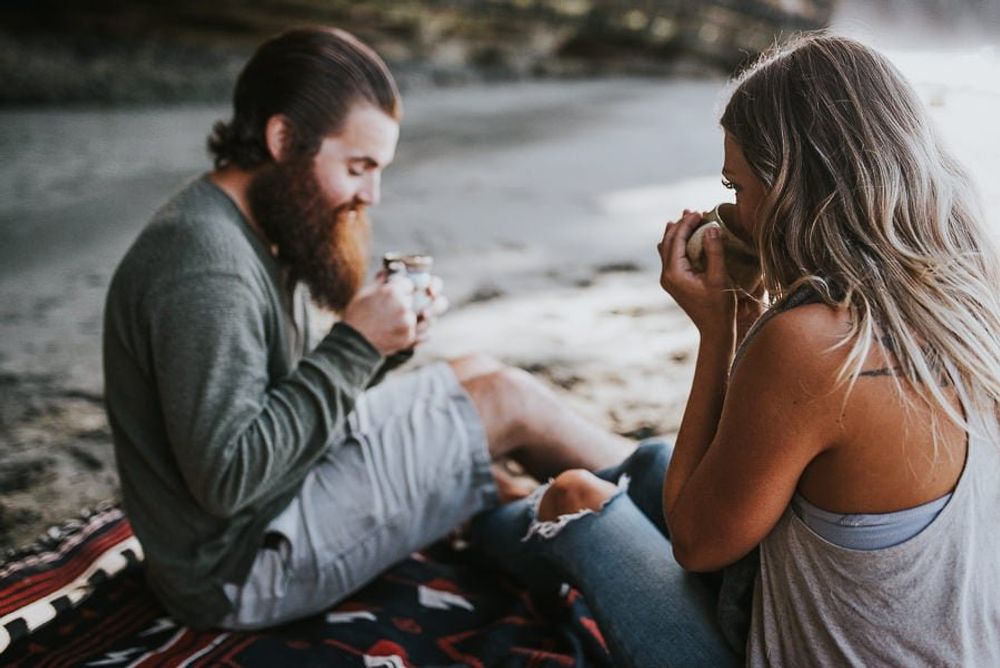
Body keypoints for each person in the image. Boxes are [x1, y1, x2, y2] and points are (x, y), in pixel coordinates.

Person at [469, 33, 1000, 666]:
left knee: (576, 499)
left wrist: (719, 329)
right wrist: (750, 310)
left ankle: (476, 522)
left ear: (791, 189)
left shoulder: (816, 343)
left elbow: (697, 543)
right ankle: (503, 502)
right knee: (653, 462)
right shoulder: (973, 294)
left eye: (738, 186)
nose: (733, 210)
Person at [102, 26, 634, 631]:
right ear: (283, 139)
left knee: (480, 373)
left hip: (281, 491)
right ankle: (676, 513)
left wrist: (384, 345)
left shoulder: (248, 223)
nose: (371, 194)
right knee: (505, 401)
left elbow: (278, 401)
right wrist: (355, 345)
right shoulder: (207, 267)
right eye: (358, 167)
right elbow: (229, 479)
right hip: (239, 565)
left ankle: (650, 503)